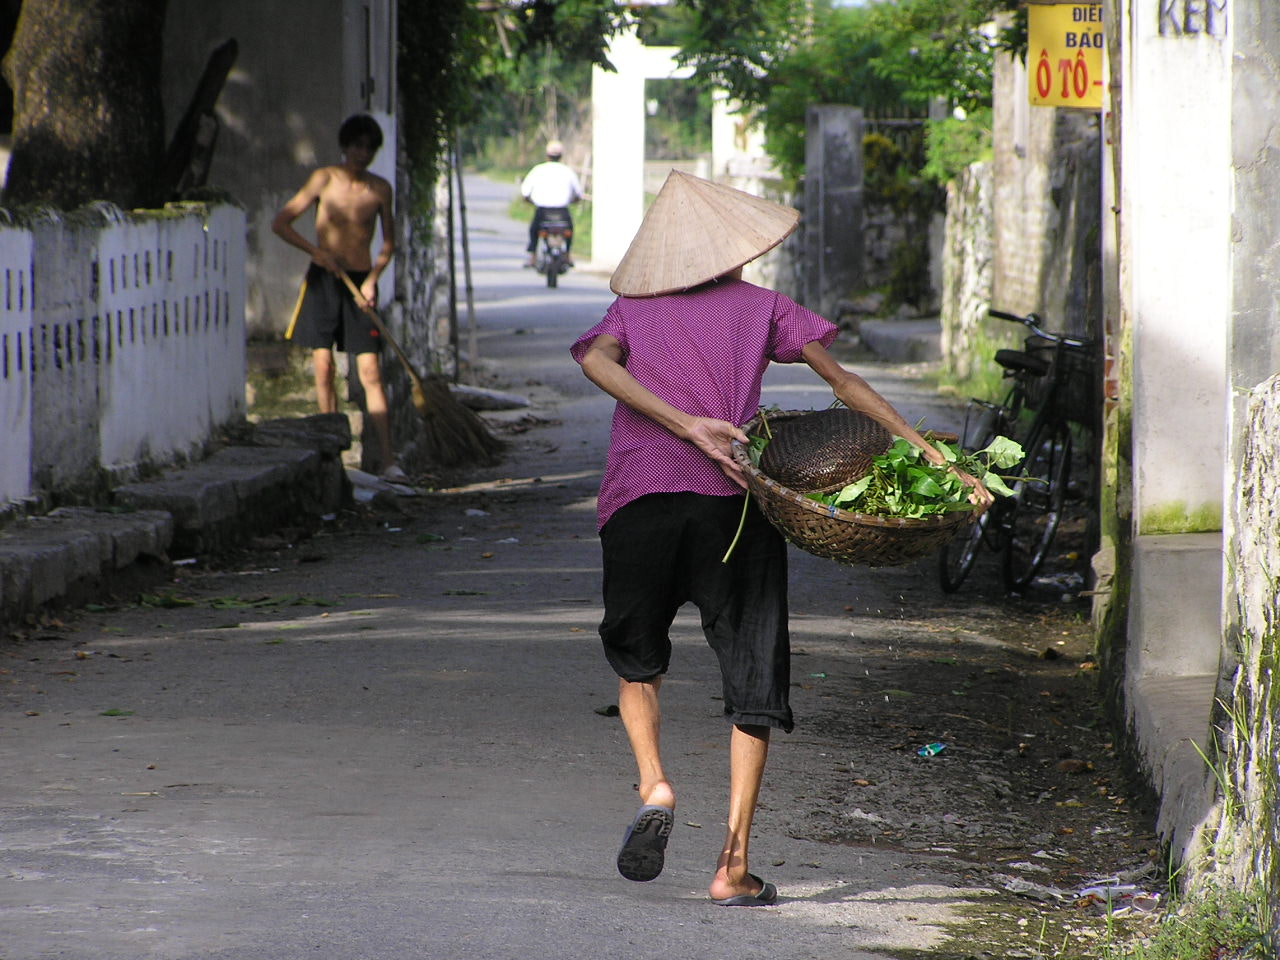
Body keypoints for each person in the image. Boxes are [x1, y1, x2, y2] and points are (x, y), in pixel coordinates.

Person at [570, 171, 992, 907]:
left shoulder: (632, 309)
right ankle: (731, 867)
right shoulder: (764, 306)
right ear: (736, 250)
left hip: (638, 502)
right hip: (734, 512)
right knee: (753, 685)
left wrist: (676, 423)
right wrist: (932, 453)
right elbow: (844, 384)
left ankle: (656, 784)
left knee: (638, 661)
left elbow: (594, 360)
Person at [272, 113, 403, 481]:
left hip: (360, 285)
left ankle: (389, 460)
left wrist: (374, 279)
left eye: (369, 147)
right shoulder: (324, 179)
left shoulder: (379, 189)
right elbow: (281, 222)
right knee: (324, 366)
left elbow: (388, 242)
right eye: (356, 145)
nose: (362, 153)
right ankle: (332, 455)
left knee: (370, 372)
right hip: (324, 280)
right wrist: (315, 252)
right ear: (345, 146)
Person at [521, 140, 582, 268]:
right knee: (569, 229)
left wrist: (529, 201)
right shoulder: (568, 171)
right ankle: (567, 255)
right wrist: (573, 200)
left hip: (543, 211)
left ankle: (533, 257)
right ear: (561, 156)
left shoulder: (538, 170)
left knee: (534, 230)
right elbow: (578, 194)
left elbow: (525, 192)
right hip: (562, 212)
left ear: (547, 155)